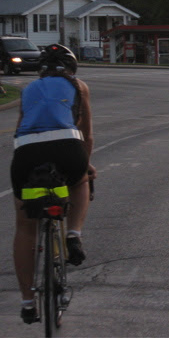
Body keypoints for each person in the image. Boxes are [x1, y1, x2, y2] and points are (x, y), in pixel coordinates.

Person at [10, 44, 96, 324]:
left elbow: (20, 127)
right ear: (72, 68)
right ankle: (73, 234)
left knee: (25, 225)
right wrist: (86, 165)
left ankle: (27, 303)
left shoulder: (29, 89)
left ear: (41, 70)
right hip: (67, 147)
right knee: (80, 180)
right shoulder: (78, 86)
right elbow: (86, 134)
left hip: (27, 152)